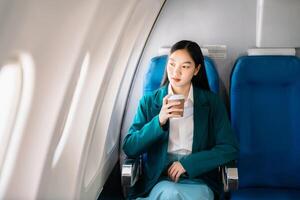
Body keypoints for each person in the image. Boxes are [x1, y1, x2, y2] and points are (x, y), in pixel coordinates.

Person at [122, 40, 239, 200]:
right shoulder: (149, 102)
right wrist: (159, 120)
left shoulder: (212, 103)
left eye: (185, 66)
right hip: (159, 179)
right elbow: (130, 147)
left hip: (199, 178)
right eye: (172, 64)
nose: (176, 72)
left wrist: (188, 164)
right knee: (170, 194)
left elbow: (229, 148)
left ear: (196, 70)